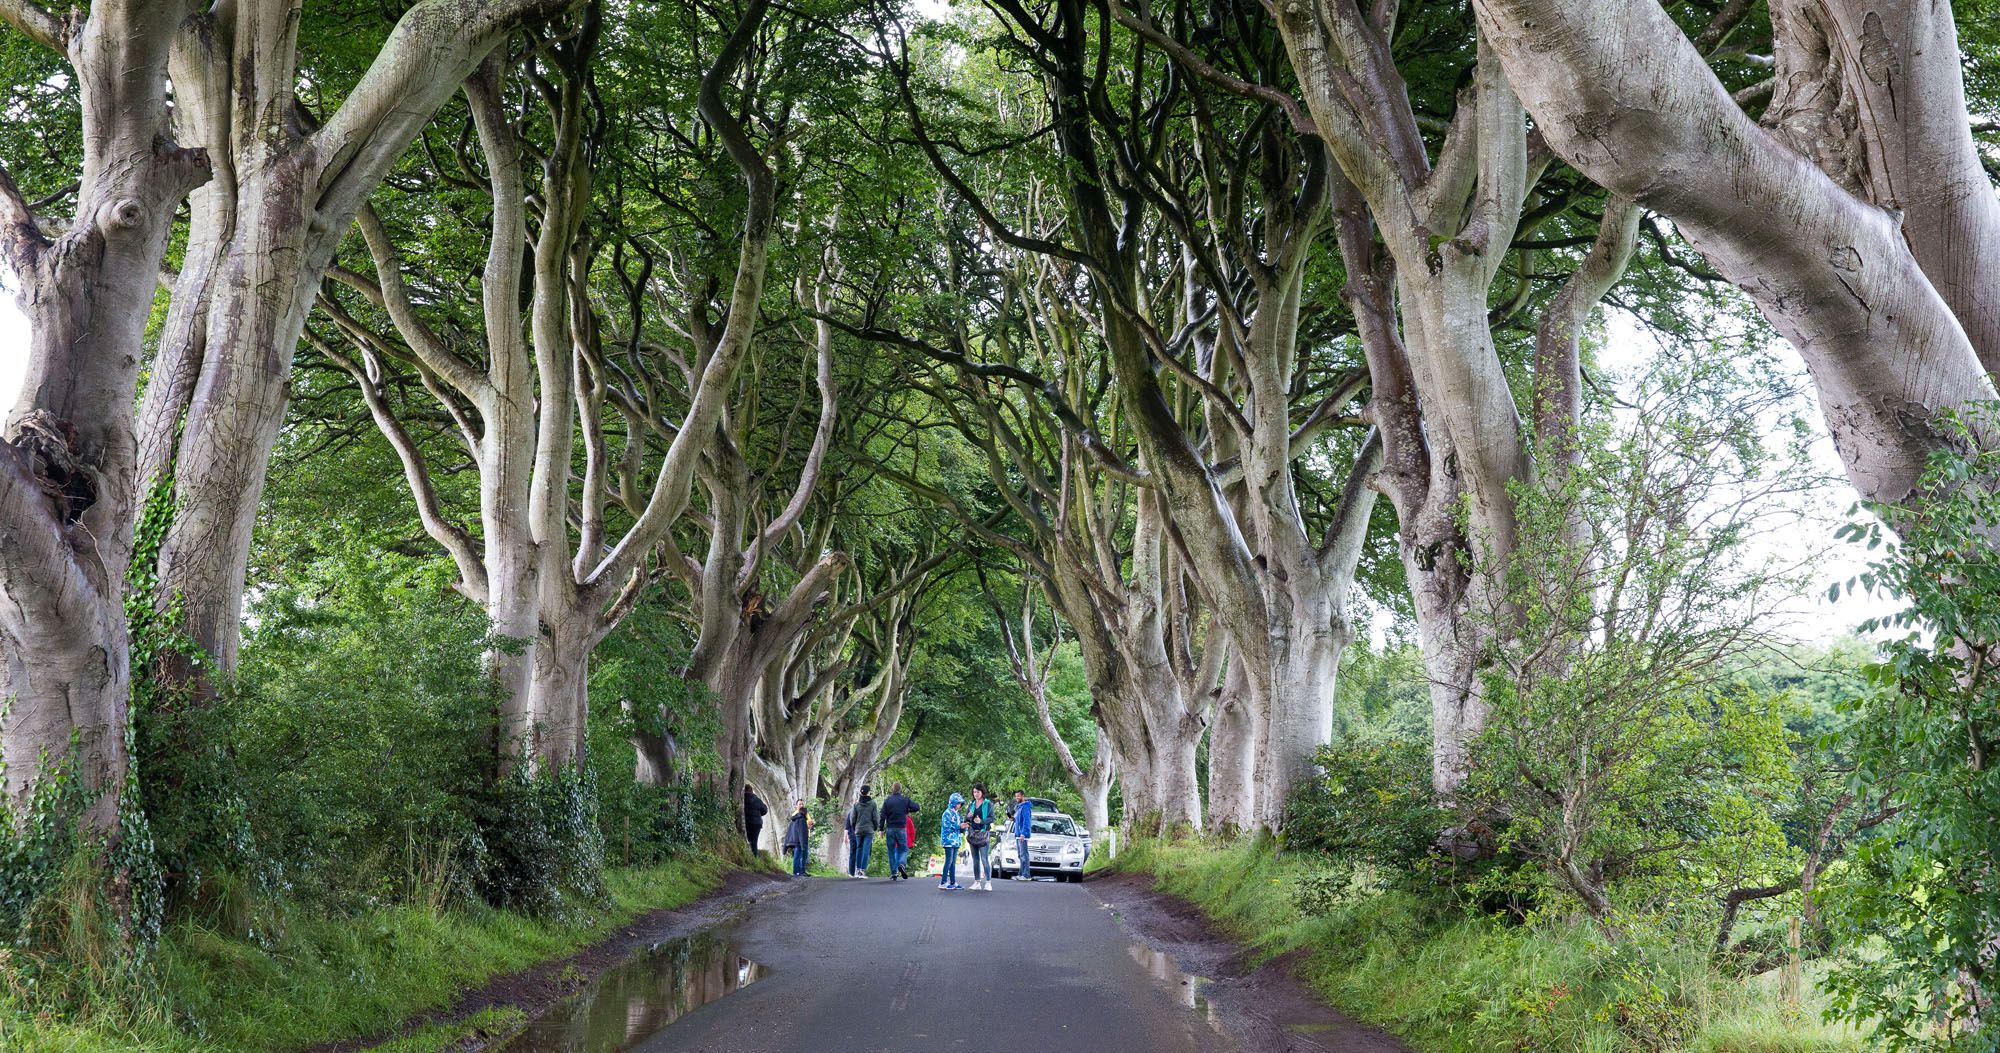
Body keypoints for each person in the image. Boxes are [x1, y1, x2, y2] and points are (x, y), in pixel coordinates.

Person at [879, 783, 920, 880]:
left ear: (892, 789)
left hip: (890, 829)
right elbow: (917, 807)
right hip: (901, 829)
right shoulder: (905, 800)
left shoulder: (887, 801)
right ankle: (901, 864)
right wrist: (907, 809)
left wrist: (881, 829)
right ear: (900, 790)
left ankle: (894, 873)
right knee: (904, 849)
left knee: (891, 851)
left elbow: (882, 815)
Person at [964, 784, 994, 891]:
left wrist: (981, 821)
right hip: (973, 834)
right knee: (975, 859)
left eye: (978, 792)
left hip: (983, 833)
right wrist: (968, 817)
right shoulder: (971, 804)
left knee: (984, 859)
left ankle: (988, 882)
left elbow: (991, 818)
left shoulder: (988, 804)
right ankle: (977, 882)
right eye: (974, 792)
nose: (976, 794)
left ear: (982, 792)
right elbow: (966, 820)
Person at [848, 785, 881, 877]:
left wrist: (855, 828)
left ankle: (857, 870)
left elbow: (852, 819)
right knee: (865, 850)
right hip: (869, 830)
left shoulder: (856, 805)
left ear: (861, 793)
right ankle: (862, 871)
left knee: (859, 849)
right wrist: (875, 827)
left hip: (858, 830)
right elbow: (875, 818)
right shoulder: (873, 804)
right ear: (868, 792)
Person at [938, 793, 965, 890]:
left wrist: (964, 827)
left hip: (956, 841)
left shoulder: (957, 814)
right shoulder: (947, 813)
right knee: (948, 861)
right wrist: (959, 826)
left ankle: (953, 882)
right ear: (953, 803)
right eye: (958, 803)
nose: (959, 805)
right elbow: (947, 826)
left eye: (960, 804)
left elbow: (960, 828)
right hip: (948, 841)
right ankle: (943, 882)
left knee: (953, 862)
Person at [780, 800, 811, 877]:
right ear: (796, 806)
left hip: (803, 838)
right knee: (798, 855)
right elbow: (799, 830)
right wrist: (801, 841)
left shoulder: (804, 815)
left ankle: (802, 871)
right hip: (799, 839)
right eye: (800, 804)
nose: (801, 805)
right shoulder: (798, 816)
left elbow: (808, 824)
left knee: (804, 855)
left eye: (802, 804)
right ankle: (796, 872)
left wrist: (810, 826)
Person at [1010, 790, 1034, 881]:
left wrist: (1023, 834)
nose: (1017, 798)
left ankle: (1026, 875)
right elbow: (1018, 820)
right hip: (1018, 834)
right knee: (1020, 855)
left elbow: (1026, 822)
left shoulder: (1025, 807)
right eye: (1016, 796)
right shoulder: (1019, 807)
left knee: (1024, 855)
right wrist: (1013, 819)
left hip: (1022, 835)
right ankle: (1021, 874)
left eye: (1018, 796)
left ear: (1023, 796)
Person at [743, 787, 768, 855]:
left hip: (746, 823)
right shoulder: (757, 800)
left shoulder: (742, 799)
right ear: (752, 791)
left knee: (745, 840)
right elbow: (764, 810)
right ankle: (755, 857)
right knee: (754, 842)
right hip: (756, 824)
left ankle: (746, 855)